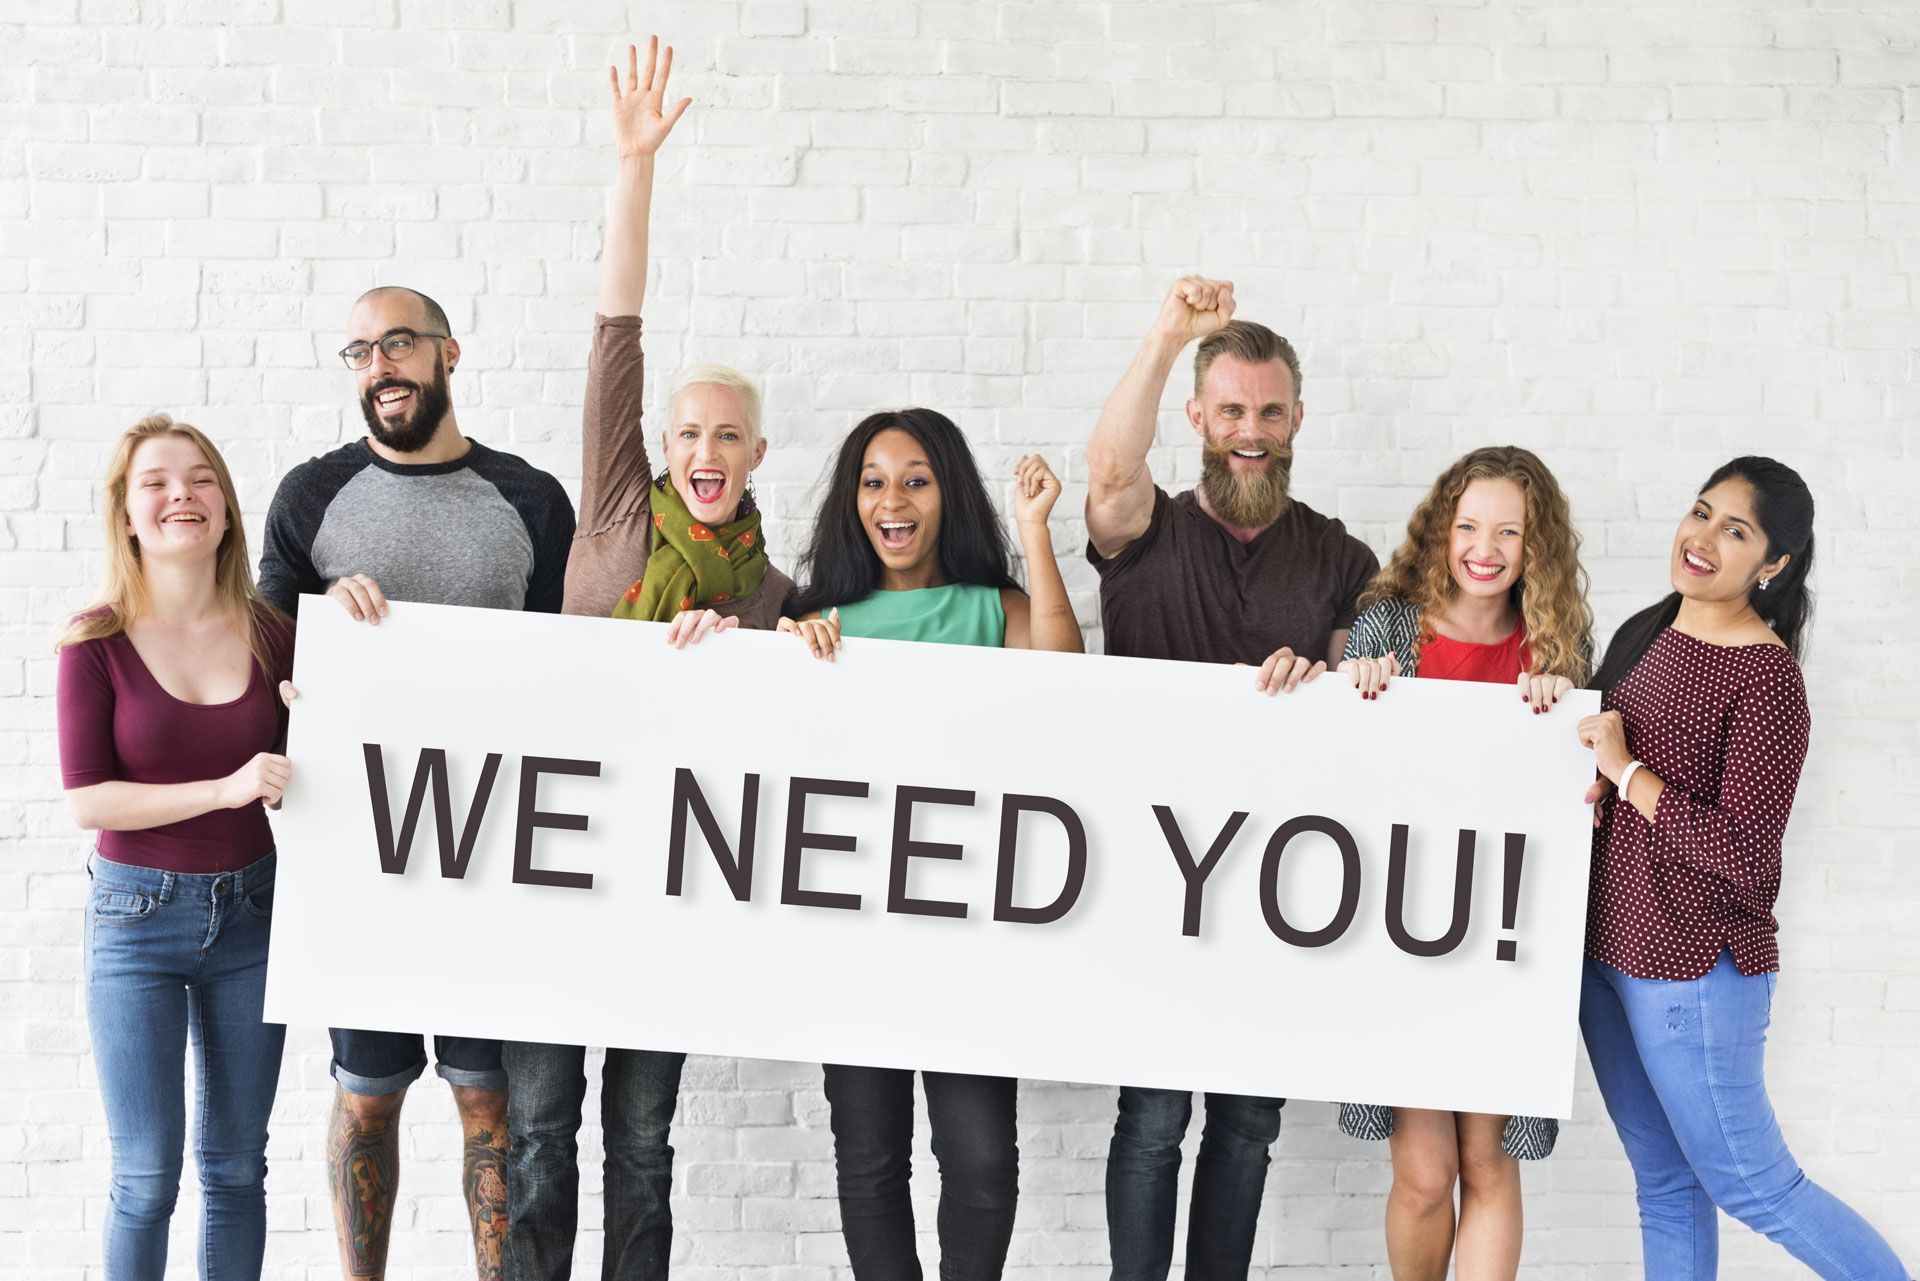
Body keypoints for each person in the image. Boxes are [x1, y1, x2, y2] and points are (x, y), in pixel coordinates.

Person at [500, 37, 796, 1281]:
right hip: (560, 874)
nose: (705, 450)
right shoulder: (616, 507)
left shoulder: (777, 591)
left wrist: (748, 661)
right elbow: (618, 324)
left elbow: (783, 757)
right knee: (536, 1138)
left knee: (641, 1145)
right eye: (688, 431)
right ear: (662, 446)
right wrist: (634, 169)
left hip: (671, 897)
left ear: (760, 454)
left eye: (728, 434)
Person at [258, 268, 575, 1277]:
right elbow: (266, 661)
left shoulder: (530, 496)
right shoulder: (311, 496)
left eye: (400, 342)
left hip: (495, 850)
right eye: (361, 352)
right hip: (359, 853)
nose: (380, 364)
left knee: (489, 1095)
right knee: (367, 1089)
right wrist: (307, 658)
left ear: (448, 354)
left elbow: (576, 669)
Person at [1084, 276, 1377, 1281]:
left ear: (1297, 417)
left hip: (1277, 887)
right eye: (1231, 411)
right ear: (1199, 418)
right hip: (1150, 874)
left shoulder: (1342, 556)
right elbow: (1109, 470)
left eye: (1269, 410)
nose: (1250, 431)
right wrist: (1168, 331)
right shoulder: (1145, 529)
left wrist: (1332, 683)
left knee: (1247, 1124)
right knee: (1154, 1117)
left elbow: (1363, 706)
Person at [1576, 457, 1911, 1281]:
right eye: (1701, 512)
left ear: (1773, 565)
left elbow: (1744, 854)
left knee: (1757, 1186)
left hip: (1691, 972)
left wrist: (1627, 774)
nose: (1703, 538)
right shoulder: (1653, 630)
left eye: (1737, 530)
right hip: (1607, 956)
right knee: (1666, 1185)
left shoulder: (1767, 678)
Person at [782, 407, 1082, 1281]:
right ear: (852, 501)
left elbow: (1069, 687)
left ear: (948, 494)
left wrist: (1035, 532)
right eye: (873, 481)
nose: (893, 499)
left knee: (982, 1162)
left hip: (970, 931)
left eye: (915, 478)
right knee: (871, 1158)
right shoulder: (818, 621)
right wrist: (783, 651)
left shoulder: (996, 608)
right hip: (856, 934)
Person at [1328, 446, 1592, 1281]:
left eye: (1509, 531)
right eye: (1469, 526)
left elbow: (1577, 785)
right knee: (1424, 1172)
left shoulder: (1554, 641)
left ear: (1534, 544)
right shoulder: (1388, 625)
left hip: (1504, 935)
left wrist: (1565, 713)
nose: (1486, 547)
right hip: (1405, 932)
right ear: (1442, 530)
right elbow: (1335, 776)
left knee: (1488, 1162)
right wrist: (1355, 689)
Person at [56, 413, 294, 1280]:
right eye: (155, 481)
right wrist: (227, 789)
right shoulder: (96, 641)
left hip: (254, 916)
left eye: (199, 478)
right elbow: (88, 798)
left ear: (226, 511)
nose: (180, 494)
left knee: (235, 1172)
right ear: (127, 513)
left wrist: (346, 652)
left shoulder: (275, 635)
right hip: (135, 920)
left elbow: (341, 756)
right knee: (146, 1177)